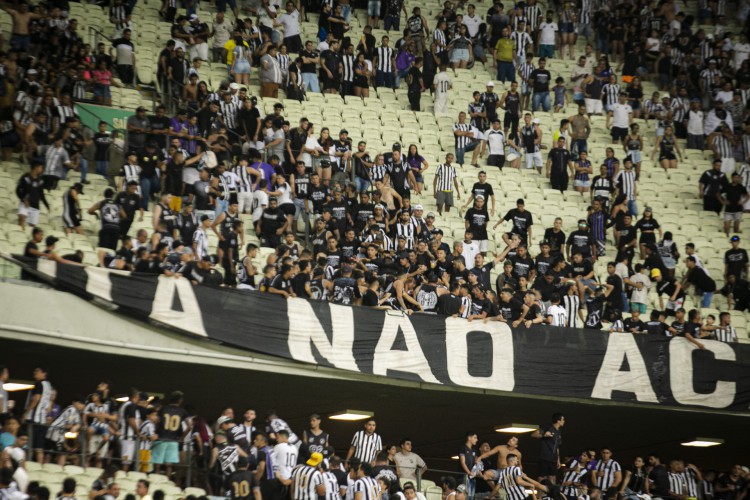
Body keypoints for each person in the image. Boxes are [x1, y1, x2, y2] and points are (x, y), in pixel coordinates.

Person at [531, 413, 565, 483]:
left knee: (552, 478)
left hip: (553, 459)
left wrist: (558, 460)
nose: (564, 421)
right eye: (563, 420)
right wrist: (544, 435)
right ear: (558, 421)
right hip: (544, 457)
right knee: (541, 478)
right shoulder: (548, 427)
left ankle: (552, 494)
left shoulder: (559, 432)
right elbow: (534, 434)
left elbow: (557, 447)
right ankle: (539, 494)